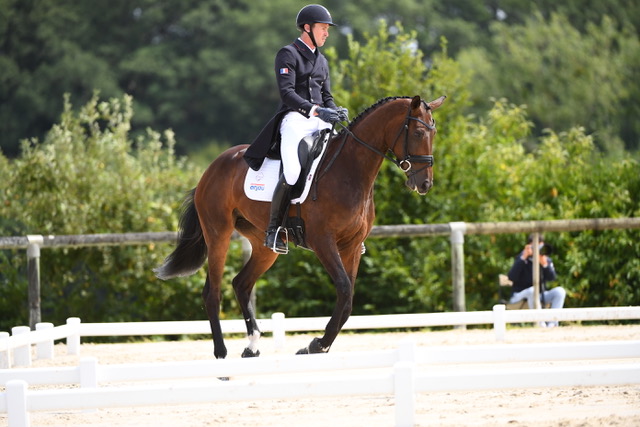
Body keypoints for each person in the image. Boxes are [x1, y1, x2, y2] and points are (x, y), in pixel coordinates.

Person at [244, 4, 348, 254]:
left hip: (320, 121)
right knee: (291, 173)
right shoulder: (288, 54)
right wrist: (316, 110)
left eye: (327, 29)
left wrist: (335, 109)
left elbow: (326, 95)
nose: (327, 33)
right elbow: (287, 93)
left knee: (343, 159)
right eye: (323, 28)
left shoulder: (322, 60)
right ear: (307, 28)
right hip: (295, 120)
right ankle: (273, 231)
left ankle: (349, 227)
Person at [507, 234, 566, 327]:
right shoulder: (521, 259)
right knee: (532, 290)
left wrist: (545, 265)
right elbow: (511, 277)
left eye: (540, 247)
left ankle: (552, 324)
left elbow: (552, 278)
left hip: (540, 295)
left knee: (560, 291)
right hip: (520, 295)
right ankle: (540, 324)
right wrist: (523, 258)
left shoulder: (545, 259)